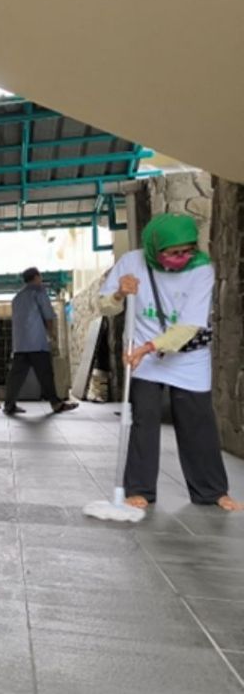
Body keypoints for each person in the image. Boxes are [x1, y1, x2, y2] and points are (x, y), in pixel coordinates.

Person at [99, 213, 241, 511]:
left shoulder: (201, 269)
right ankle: (139, 489)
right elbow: (105, 307)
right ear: (154, 247)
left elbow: (189, 326)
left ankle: (211, 491)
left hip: (187, 355)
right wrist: (119, 293)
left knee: (197, 421)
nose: (181, 258)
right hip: (144, 358)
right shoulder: (132, 262)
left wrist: (148, 348)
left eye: (187, 251)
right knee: (144, 420)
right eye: (173, 252)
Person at [4, 267, 78, 415]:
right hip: (36, 342)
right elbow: (48, 315)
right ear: (37, 277)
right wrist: (52, 334)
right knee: (45, 375)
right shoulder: (39, 291)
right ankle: (56, 404)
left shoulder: (17, 298)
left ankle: (9, 405)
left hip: (20, 344)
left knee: (16, 377)